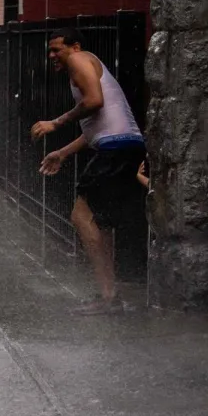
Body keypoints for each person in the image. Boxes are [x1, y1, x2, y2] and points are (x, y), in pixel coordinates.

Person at [30, 32, 147, 315]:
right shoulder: (87, 66)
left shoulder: (79, 59)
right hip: (122, 147)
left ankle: (108, 297)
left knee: (81, 217)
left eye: (57, 49)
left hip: (115, 149)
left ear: (75, 47)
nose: (52, 56)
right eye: (50, 51)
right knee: (101, 223)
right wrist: (62, 153)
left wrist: (56, 122)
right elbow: (97, 127)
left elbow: (94, 101)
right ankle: (110, 295)